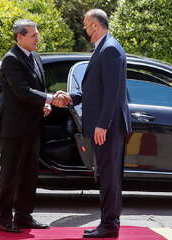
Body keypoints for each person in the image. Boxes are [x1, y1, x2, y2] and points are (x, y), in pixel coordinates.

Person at [54, 9, 132, 238]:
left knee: (109, 177)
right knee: (107, 175)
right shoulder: (106, 47)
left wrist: (103, 125)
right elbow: (95, 89)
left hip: (107, 128)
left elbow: (112, 93)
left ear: (96, 25)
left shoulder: (109, 49)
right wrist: (71, 97)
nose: (85, 31)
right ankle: (108, 223)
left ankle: (109, 225)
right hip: (105, 125)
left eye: (86, 27)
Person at [0, 19, 67, 233]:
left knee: (29, 175)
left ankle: (24, 216)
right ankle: (5, 220)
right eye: (33, 35)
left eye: (37, 34)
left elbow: (35, 89)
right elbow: (23, 91)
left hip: (33, 125)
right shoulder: (11, 60)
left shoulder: (35, 57)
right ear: (20, 37)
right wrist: (50, 99)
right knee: (10, 175)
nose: (38, 38)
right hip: (15, 128)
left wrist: (43, 106)